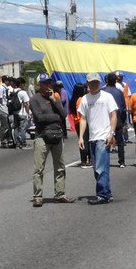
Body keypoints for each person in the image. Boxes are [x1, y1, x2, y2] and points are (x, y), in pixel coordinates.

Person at [30, 74, 75, 207]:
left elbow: (63, 115)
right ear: (40, 85)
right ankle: (38, 196)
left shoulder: (55, 97)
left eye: (49, 83)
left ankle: (60, 194)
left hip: (57, 135)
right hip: (42, 137)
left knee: (60, 167)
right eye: (45, 83)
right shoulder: (35, 99)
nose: (48, 85)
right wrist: (55, 117)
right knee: (39, 168)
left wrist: (54, 101)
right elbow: (39, 118)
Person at [76, 73, 118, 204]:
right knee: (98, 168)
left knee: (100, 167)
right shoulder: (85, 99)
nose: (94, 84)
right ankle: (107, 193)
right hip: (92, 138)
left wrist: (111, 133)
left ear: (99, 83)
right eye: (91, 82)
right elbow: (83, 119)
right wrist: (81, 137)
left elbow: (113, 115)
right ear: (87, 83)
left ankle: (102, 195)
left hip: (103, 137)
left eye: (96, 82)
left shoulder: (107, 97)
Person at [103, 72, 128, 168]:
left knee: (105, 140)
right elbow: (123, 107)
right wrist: (123, 120)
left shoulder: (103, 91)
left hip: (106, 119)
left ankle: (105, 161)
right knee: (120, 141)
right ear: (116, 80)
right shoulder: (119, 92)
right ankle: (122, 162)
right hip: (117, 119)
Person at [12, 77, 31, 150]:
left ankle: (17, 144)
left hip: (15, 113)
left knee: (16, 128)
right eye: (24, 84)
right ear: (21, 84)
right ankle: (23, 144)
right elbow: (26, 104)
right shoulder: (23, 92)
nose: (24, 85)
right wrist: (28, 113)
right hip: (22, 113)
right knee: (23, 129)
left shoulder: (13, 91)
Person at [0, 76, 13, 148]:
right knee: (4, 127)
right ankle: (3, 141)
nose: (10, 82)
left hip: (6, 109)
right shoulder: (0, 88)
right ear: (5, 81)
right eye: (8, 81)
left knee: (8, 126)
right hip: (2, 109)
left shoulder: (6, 88)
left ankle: (9, 140)